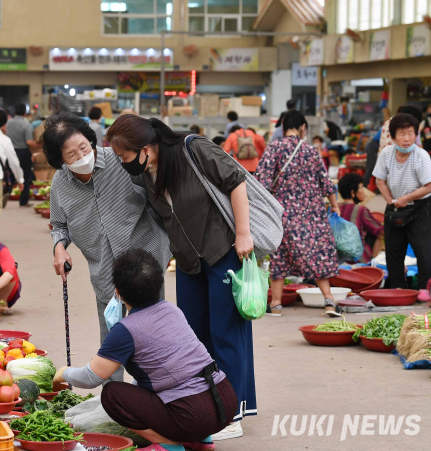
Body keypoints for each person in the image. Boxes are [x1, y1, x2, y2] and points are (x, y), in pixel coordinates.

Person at [106, 114, 254, 441]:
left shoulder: (193, 149)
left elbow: (236, 180)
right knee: (194, 335)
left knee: (225, 332)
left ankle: (232, 413)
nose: (122, 162)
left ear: (145, 147)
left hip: (224, 250)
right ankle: (204, 405)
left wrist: (243, 233)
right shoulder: (148, 173)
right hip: (189, 262)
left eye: (123, 155)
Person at [53, 249, 237, 451]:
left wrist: (64, 373)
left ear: (118, 292)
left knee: (112, 394)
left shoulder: (125, 330)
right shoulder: (171, 310)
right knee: (170, 382)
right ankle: (202, 440)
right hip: (224, 403)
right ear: (158, 285)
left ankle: (169, 444)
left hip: (192, 414)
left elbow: (91, 377)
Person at [44, 112, 171, 382]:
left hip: (146, 259)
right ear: (60, 160)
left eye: (84, 147)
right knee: (113, 338)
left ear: (91, 141)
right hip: (104, 269)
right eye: (71, 155)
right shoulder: (60, 183)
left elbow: (157, 195)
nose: (81, 157)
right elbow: (59, 225)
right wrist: (59, 247)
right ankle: (117, 401)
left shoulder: (122, 161)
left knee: (153, 332)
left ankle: (154, 394)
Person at [255, 109, 341, 318]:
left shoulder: (274, 147)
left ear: (283, 129)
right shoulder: (311, 150)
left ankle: (275, 304)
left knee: (279, 256)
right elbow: (325, 182)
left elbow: (261, 183)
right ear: (303, 128)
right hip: (313, 215)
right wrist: (335, 206)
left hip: (282, 214)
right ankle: (329, 301)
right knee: (317, 255)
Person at [373, 113, 431, 290]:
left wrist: (406, 198)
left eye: (411, 133)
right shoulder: (386, 154)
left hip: (420, 208)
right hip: (395, 207)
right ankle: (398, 288)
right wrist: (391, 201)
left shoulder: (421, 156)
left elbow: (429, 186)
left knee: (423, 250)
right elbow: (380, 181)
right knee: (393, 249)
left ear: (416, 134)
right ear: (392, 137)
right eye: (402, 134)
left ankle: (424, 289)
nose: (407, 139)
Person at [337, 173, 383, 263]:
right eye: (361, 188)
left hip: (335, 257)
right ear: (353, 193)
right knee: (376, 234)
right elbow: (381, 231)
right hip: (356, 259)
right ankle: (370, 263)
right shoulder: (360, 210)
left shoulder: (334, 208)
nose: (364, 191)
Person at [7, 103, 38, 207]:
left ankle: (5, 195)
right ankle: (23, 201)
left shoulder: (7, 123)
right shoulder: (26, 124)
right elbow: (29, 142)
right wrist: (40, 144)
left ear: (15, 112)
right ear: (25, 113)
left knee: (10, 175)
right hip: (23, 153)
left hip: (10, 152)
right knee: (26, 176)